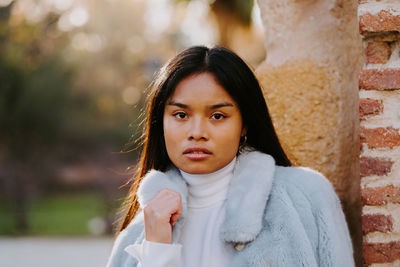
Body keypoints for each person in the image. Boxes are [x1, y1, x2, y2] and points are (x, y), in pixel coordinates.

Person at [105, 46, 355, 267]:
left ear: (244, 124)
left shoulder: (305, 196)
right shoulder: (140, 232)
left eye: (217, 116)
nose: (197, 133)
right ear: (161, 122)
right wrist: (157, 253)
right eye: (181, 115)